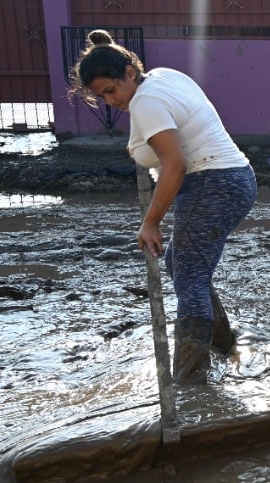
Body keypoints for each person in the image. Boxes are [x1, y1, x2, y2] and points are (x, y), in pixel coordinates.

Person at [70, 30, 256, 383]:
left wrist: (151, 222)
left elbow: (174, 166)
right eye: (101, 97)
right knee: (181, 264)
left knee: (189, 278)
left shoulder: (145, 101)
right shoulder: (164, 77)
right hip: (234, 179)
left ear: (129, 71)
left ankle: (190, 386)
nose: (110, 101)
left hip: (212, 183)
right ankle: (223, 342)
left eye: (111, 90)